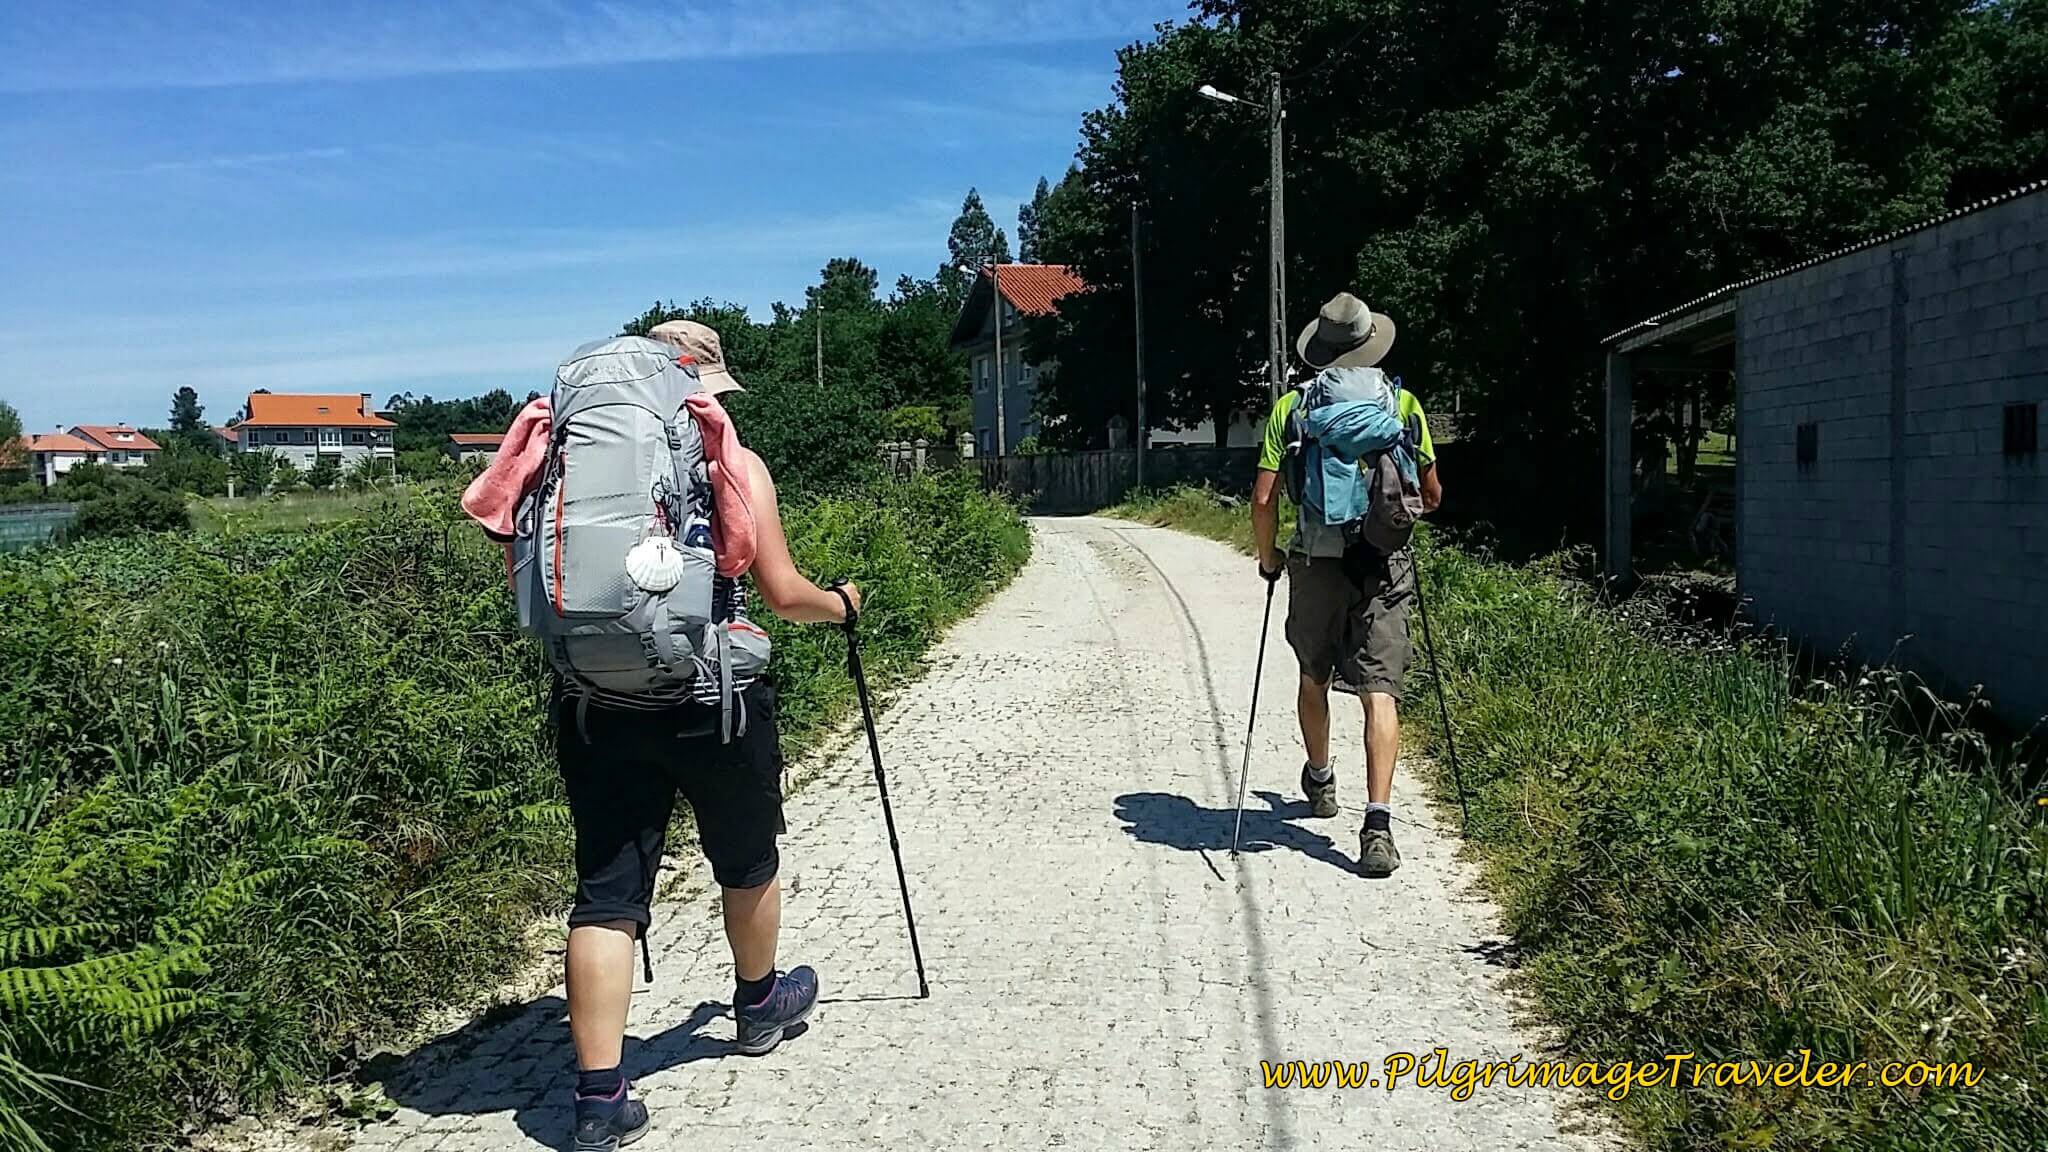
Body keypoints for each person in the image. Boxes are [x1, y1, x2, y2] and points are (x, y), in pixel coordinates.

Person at [538, 320, 861, 1150]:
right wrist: (845, 604)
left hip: (594, 701)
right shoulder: (731, 462)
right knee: (748, 860)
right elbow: (785, 593)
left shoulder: (564, 462)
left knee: (607, 897)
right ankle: (758, 1006)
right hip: (715, 700)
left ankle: (601, 1099)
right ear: (702, 385)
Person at [1250, 294, 1441, 879]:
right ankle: (1378, 825)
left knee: (1314, 674)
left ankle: (1321, 778)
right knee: (1379, 690)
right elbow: (1432, 497)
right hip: (1385, 563)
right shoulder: (1402, 404)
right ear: (1369, 343)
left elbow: (1262, 500)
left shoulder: (1292, 408)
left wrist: (1269, 559)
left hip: (1315, 561)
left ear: (1320, 352)